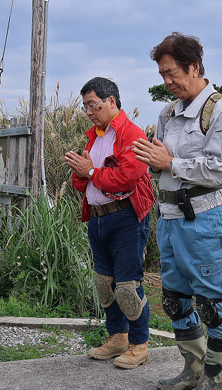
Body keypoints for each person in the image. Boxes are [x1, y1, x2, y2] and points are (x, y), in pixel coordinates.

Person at [133, 32, 222, 390]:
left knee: (212, 301)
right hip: (169, 215)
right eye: (163, 74)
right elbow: (162, 164)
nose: (167, 81)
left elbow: (220, 170)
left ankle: (215, 377)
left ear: (194, 67)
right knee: (176, 298)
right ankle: (192, 368)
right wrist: (152, 160)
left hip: (207, 216)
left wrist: (170, 163)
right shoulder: (167, 113)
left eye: (172, 72)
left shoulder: (221, 111)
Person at [65, 77, 154, 369]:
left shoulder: (132, 134)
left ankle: (139, 345)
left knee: (128, 285)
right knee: (104, 283)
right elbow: (85, 182)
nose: (89, 111)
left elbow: (126, 178)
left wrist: (90, 171)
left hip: (126, 217)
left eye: (93, 105)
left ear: (111, 101)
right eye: (86, 106)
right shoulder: (95, 136)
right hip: (98, 217)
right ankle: (117, 337)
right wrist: (83, 171)